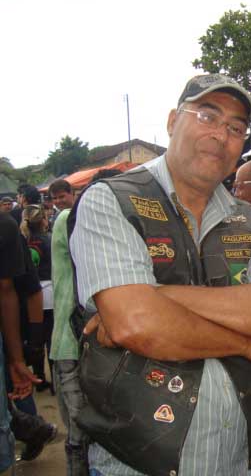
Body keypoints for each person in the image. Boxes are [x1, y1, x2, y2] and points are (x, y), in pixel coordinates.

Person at [69, 73, 251, 476]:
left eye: (235, 127)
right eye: (207, 116)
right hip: (136, 462)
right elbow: (137, 324)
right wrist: (248, 344)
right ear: (173, 121)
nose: (221, 134)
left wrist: (153, 295)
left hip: (232, 460)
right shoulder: (111, 200)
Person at [50, 171, 115, 476]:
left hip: (102, 341)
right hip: (71, 342)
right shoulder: (69, 220)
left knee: (101, 432)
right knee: (80, 433)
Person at [0, 212, 52, 473]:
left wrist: (28, 347)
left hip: (11, 335)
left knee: (15, 394)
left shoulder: (6, 230)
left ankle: (32, 428)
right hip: (10, 338)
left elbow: (27, 290)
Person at [20, 205, 54, 393]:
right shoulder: (48, 240)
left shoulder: (23, 240)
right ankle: (55, 382)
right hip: (49, 293)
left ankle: (39, 378)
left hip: (30, 295)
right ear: (43, 220)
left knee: (36, 340)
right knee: (51, 340)